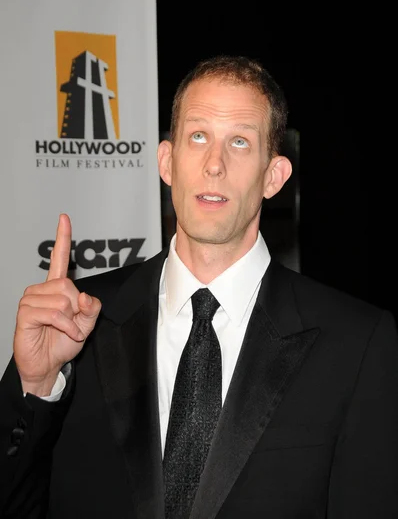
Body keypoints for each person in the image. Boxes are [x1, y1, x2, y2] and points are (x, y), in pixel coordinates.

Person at [1, 55, 398, 519]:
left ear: (274, 177)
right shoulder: (77, 324)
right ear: (167, 161)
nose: (214, 164)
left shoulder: (356, 342)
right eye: (198, 136)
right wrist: (35, 386)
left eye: (240, 142)